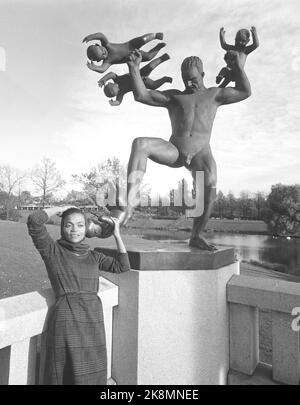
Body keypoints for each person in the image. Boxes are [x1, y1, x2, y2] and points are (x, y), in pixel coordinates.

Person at [123, 49, 252, 251]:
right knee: (140, 143)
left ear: (202, 75)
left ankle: (196, 235)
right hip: (175, 149)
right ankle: (129, 203)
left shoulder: (215, 94)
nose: (189, 83)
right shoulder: (175, 97)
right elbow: (142, 95)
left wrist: (237, 67)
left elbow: (245, 91)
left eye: (193, 79)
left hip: (201, 153)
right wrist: (134, 68)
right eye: (185, 80)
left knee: (210, 184)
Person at [27, 206, 130, 385]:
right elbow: (35, 221)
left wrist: (117, 235)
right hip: (67, 318)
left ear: (86, 229)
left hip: (92, 319)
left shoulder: (93, 256)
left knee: (93, 374)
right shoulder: (53, 251)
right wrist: (62, 208)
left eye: (80, 225)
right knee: (65, 373)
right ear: (62, 227)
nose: (74, 230)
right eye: (69, 225)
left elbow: (122, 266)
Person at [98, 53, 172, 106]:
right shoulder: (121, 92)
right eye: (113, 94)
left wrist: (103, 80)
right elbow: (119, 101)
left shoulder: (117, 80)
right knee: (153, 85)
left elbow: (111, 74)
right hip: (142, 83)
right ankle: (165, 79)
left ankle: (162, 58)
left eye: (112, 92)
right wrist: (115, 103)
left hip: (137, 73)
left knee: (150, 67)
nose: (116, 93)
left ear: (112, 85)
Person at [83, 31, 166, 74]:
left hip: (131, 44)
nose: (104, 53)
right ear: (99, 60)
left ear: (99, 45)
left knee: (142, 39)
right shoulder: (108, 61)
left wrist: (91, 37)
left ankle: (155, 35)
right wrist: (94, 68)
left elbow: (101, 35)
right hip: (133, 56)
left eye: (101, 50)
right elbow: (102, 69)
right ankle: (158, 47)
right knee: (148, 57)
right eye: (102, 55)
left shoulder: (107, 45)